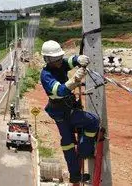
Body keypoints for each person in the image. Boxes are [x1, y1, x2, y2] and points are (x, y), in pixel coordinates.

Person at [40, 40, 99, 185]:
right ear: (48, 60)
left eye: (60, 58)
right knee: (93, 121)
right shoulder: (46, 75)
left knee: (67, 142)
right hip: (64, 111)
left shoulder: (59, 64)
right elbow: (60, 91)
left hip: (60, 111)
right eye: (56, 59)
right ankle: (85, 151)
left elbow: (69, 61)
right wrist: (75, 79)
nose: (60, 61)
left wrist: (78, 59)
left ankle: (75, 176)